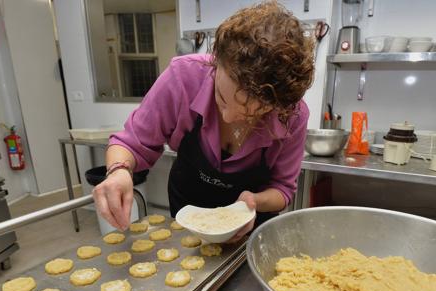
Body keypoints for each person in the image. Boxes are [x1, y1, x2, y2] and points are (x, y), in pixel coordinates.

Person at [93, 1, 314, 242]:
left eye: (252, 114)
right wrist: (118, 171)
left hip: (250, 227)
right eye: (221, 98)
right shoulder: (183, 78)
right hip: (188, 205)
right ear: (216, 60)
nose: (228, 117)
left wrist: (253, 201)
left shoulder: (292, 115)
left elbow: (282, 189)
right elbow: (131, 143)